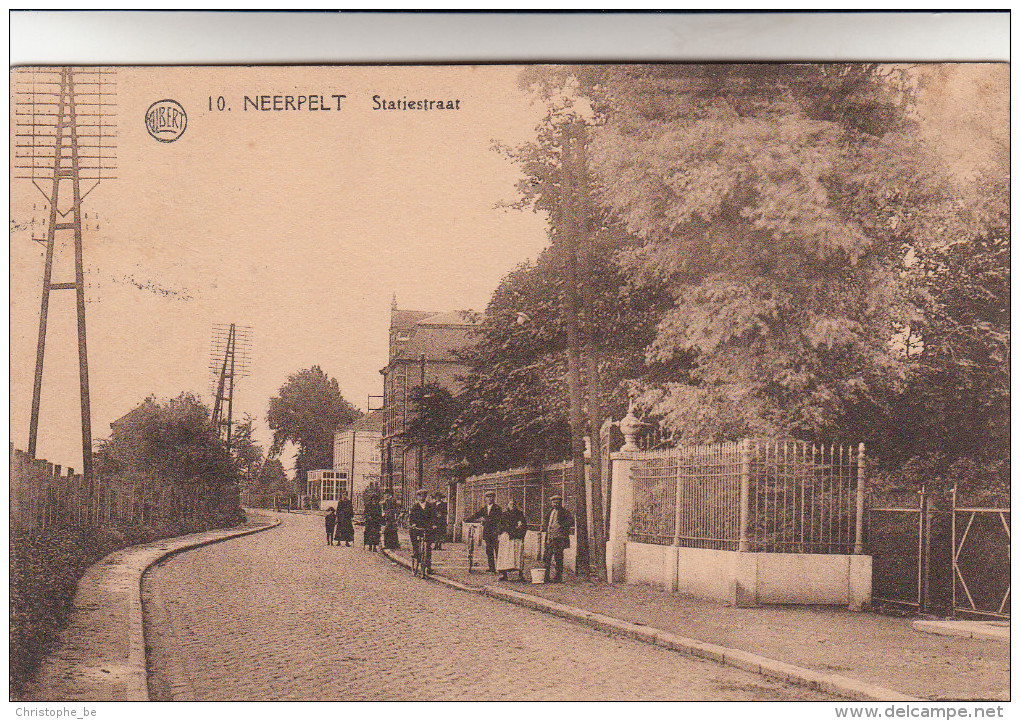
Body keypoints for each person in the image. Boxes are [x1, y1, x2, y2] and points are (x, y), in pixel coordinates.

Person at [465, 490, 502, 573]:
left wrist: (485, 520)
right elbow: (477, 515)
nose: (489, 499)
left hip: (495, 532)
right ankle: (491, 567)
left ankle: (500, 568)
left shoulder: (497, 508)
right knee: (489, 550)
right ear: (485, 499)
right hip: (487, 532)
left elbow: (497, 519)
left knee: (497, 550)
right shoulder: (484, 508)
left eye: (491, 497)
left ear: (494, 498)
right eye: (488, 497)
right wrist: (467, 520)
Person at [543, 494, 574, 583]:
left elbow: (570, 521)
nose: (555, 504)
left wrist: (561, 526)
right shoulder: (550, 512)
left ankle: (558, 577)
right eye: (553, 502)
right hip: (550, 538)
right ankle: (546, 577)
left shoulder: (564, 512)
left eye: (557, 502)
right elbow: (546, 521)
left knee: (558, 558)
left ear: (560, 503)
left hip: (559, 538)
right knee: (547, 558)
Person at [495, 497, 527, 581]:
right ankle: (504, 574)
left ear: (516, 505)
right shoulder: (504, 514)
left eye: (513, 504)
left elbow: (524, 525)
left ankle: (520, 575)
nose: (512, 505)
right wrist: (502, 531)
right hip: (506, 537)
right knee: (505, 555)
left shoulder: (520, 514)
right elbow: (499, 525)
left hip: (516, 537)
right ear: (508, 505)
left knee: (517, 556)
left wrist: (520, 530)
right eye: (510, 504)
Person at [408, 489, 433, 575]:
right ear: (418, 497)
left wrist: (434, 524)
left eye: (423, 496)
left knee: (428, 546)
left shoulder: (430, 506)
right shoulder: (415, 507)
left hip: (427, 528)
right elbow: (411, 518)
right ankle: (415, 551)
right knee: (413, 534)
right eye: (420, 496)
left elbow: (433, 517)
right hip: (418, 528)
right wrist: (413, 524)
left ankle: (428, 566)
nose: (422, 497)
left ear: (425, 497)